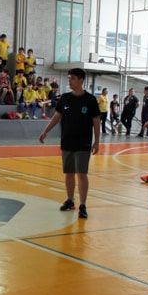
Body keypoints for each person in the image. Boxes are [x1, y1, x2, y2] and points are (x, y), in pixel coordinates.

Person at [38, 68, 100, 219]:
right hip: (67, 141)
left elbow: (96, 121)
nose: (69, 81)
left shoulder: (90, 100)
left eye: (72, 78)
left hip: (83, 142)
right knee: (69, 172)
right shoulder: (65, 98)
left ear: (80, 80)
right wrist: (45, 131)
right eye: (69, 78)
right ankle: (70, 200)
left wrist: (97, 141)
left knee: (82, 174)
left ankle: (83, 205)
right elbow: (57, 116)